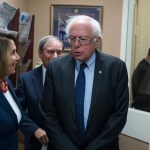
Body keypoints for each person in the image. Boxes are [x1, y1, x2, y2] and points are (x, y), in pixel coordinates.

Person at [39, 15, 129, 150]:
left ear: (97, 41)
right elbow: (48, 113)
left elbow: (119, 115)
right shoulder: (56, 67)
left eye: (83, 39)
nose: (76, 44)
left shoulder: (115, 68)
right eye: (72, 38)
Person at [16, 35, 63, 150]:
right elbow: (18, 111)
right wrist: (34, 129)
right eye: (50, 52)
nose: (55, 56)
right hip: (37, 142)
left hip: (64, 142)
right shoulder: (26, 79)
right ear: (40, 54)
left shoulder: (72, 78)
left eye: (59, 52)